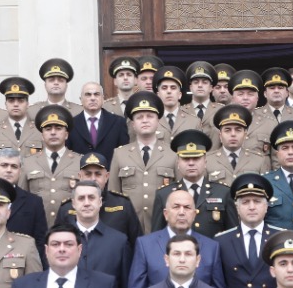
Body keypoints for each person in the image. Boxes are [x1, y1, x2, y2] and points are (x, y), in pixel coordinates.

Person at [110, 91, 178, 230]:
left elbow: (179, 193)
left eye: (150, 116)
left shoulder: (173, 153)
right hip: (129, 227)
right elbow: (113, 195)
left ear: (158, 122)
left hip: (164, 226)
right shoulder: (119, 154)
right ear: (133, 124)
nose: (145, 120)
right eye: (139, 117)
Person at [151, 130, 233, 238]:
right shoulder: (164, 195)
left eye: (196, 158)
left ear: (205, 162)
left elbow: (232, 236)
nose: (191, 163)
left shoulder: (223, 193)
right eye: (185, 159)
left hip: (213, 253)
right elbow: (157, 237)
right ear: (178, 163)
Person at [54, 152, 143, 245]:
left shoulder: (123, 205)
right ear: (80, 177)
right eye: (88, 174)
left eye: (98, 174)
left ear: (106, 177)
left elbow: (137, 244)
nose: (93, 179)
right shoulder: (67, 208)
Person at [69, 81, 128, 160]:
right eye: (88, 95)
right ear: (81, 99)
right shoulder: (71, 124)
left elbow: (124, 155)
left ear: (103, 98)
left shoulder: (118, 122)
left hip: (110, 171)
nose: (92, 98)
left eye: (96, 94)